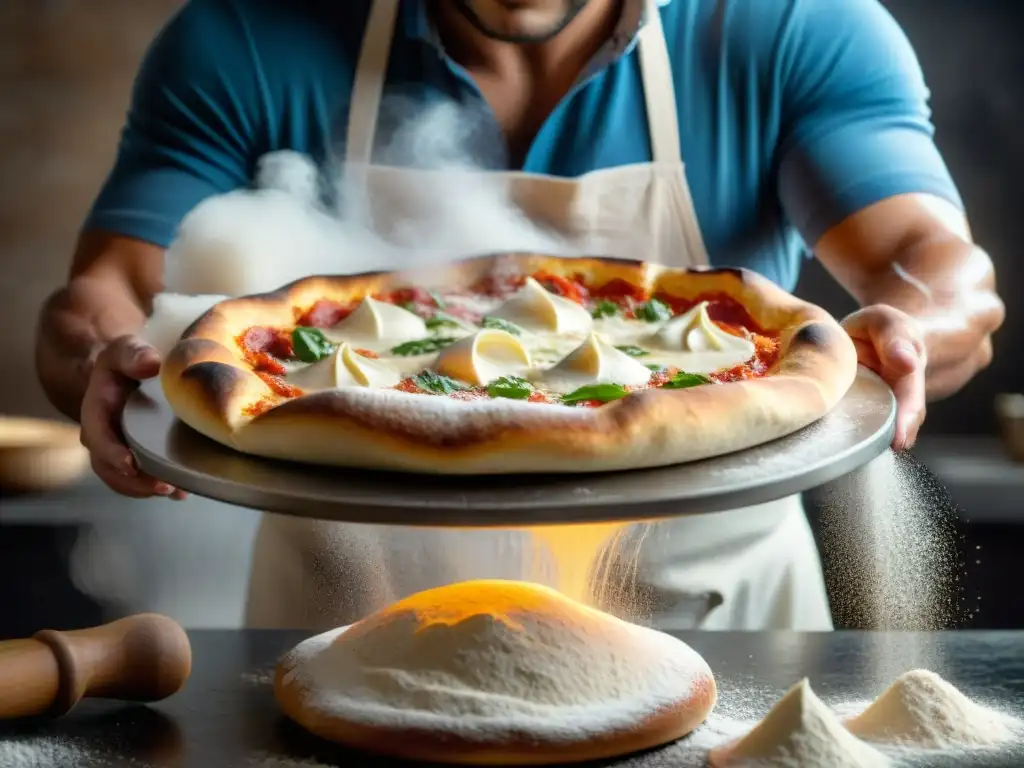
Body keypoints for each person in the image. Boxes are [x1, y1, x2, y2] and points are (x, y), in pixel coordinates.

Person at [36, 0, 1003, 631]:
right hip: (348, 610)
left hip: (715, 609)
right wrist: (108, 360)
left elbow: (939, 268)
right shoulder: (245, 36)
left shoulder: (794, 29)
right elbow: (100, 297)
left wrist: (913, 321)